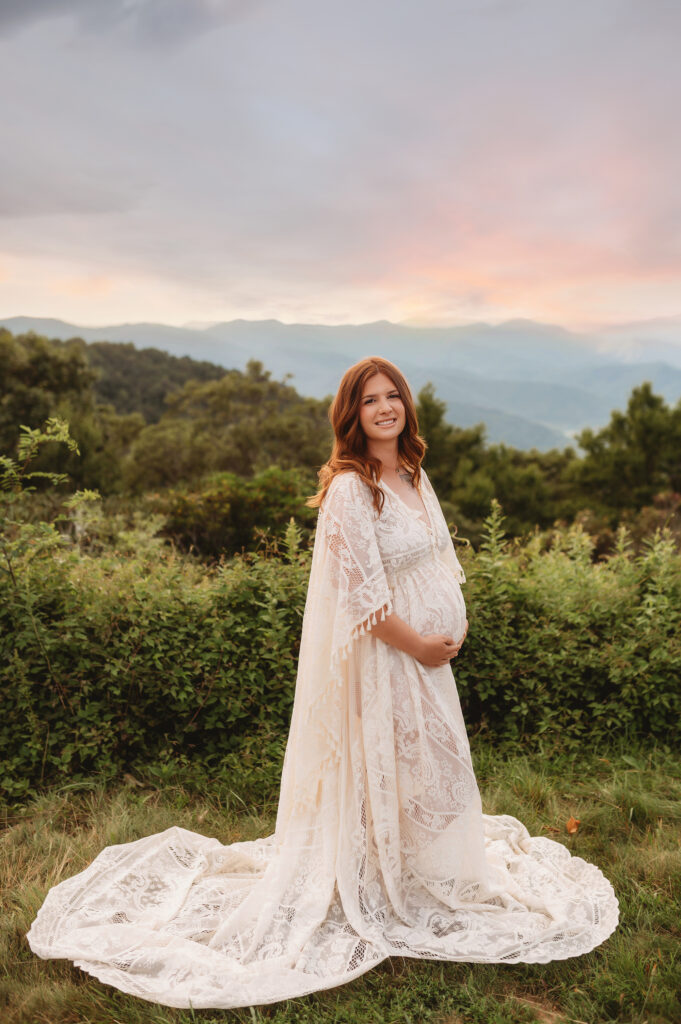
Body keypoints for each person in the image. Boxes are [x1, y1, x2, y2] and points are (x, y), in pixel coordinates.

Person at [27, 356, 619, 1010]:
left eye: (393, 396)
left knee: (430, 770)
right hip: (389, 658)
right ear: (352, 415)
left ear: (406, 407)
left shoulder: (413, 472)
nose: (385, 408)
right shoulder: (348, 490)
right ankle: (375, 875)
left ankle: (420, 868)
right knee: (390, 765)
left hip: (430, 662)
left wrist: (454, 621)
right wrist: (421, 644)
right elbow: (360, 599)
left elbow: (440, 558)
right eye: (371, 401)